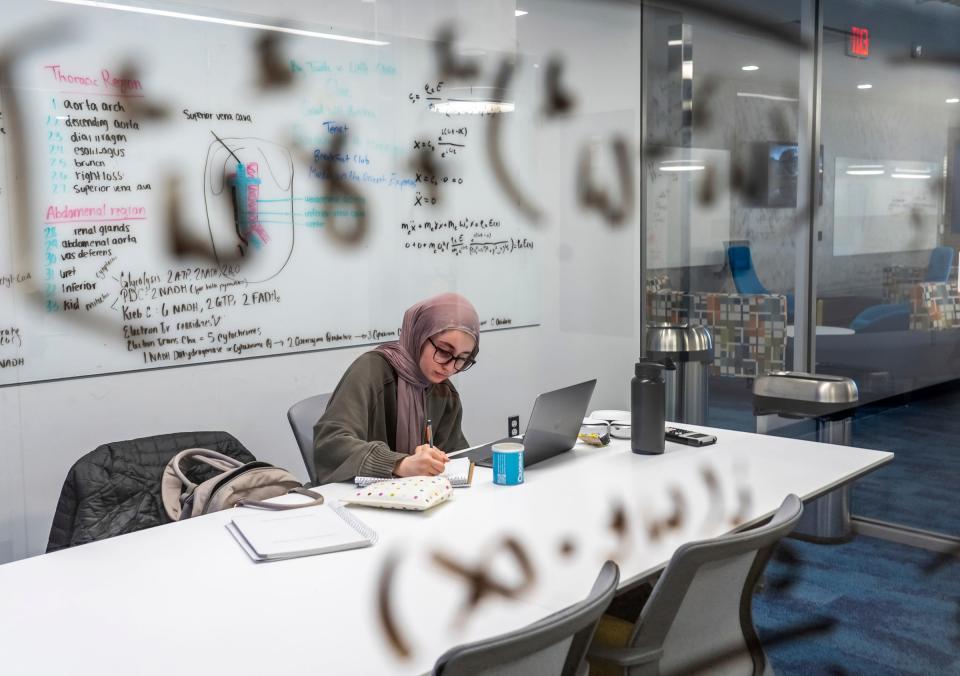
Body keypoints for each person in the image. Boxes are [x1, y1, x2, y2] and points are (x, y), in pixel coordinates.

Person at [312, 292, 479, 484]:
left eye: (463, 358)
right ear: (419, 335)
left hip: (416, 500)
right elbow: (331, 444)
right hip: (351, 499)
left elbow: (455, 456)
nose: (450, 367)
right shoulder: (371, 370)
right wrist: (400, 464)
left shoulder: (444, 393)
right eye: (443, 351)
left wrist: (438, 461)